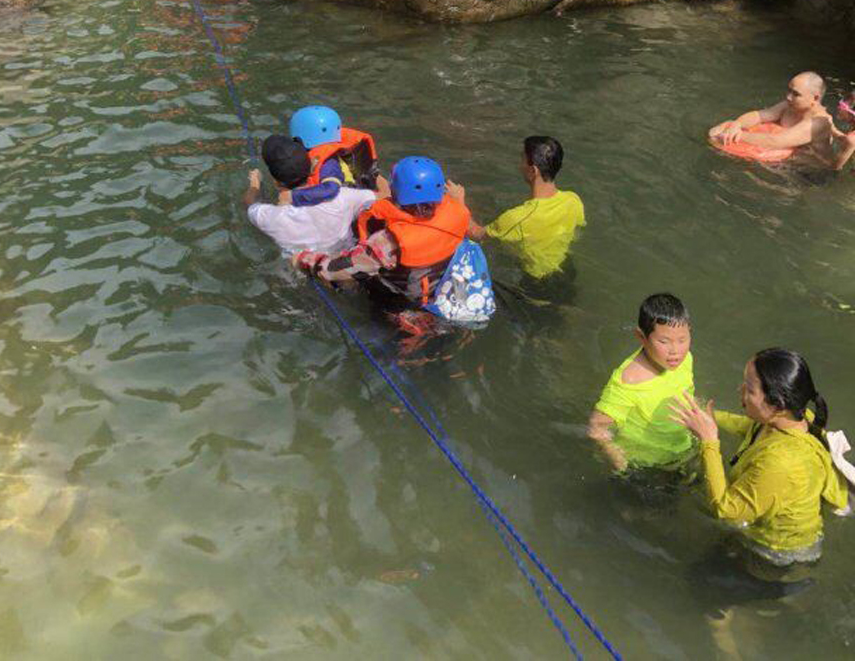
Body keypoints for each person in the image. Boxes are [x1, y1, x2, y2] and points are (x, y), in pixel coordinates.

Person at [671, 349, 849, 564]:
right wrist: (709, 419)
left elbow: (727, 511)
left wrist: (709, 441)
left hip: (774, 553)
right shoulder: (797, 418)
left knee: (696, 582)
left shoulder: (782, 463)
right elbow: (749, 427)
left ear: (777, 404)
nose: (741, 389)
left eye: (750, 388)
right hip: (764, 528)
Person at [295, 155, 490, 323]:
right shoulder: (457, 212)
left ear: (395, 191)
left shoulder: (387, 242)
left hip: (401, 310)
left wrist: (306, 259)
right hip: (442, 295)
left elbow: (332, 271)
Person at [587, 293, 695, 472]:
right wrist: (614, 454)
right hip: (644, 464)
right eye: (664, 341)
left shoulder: (686, 358)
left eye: (682, 340)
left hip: (681, 446)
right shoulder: (628, 382)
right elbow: (596, 427)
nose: (675, 351)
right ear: (641, 336)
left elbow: (686, 391)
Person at [456, 136, 584, 279]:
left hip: (537, 283)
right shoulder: (573, 200)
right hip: (566, 271)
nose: (519, 165)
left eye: (522, 159)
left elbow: (475, 234)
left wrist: (459, 203)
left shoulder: (517, 218)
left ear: (533, 171)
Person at [243, 135, 382, 255]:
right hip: (343, 257)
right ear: (311, 168)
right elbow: (381, 195)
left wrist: (255, 183)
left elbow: (250, 202)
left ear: (275, 181)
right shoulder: (343, 197)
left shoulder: (271, 217)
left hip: (298, 271)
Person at [709, 72, 831, 161]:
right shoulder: (789, 106)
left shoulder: (817, 122)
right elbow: (760, 115)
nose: (788, 97)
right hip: (784, 161)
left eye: (796, 94)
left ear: (815, 98)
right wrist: (737, 124)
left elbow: (776, 141)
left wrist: (734, 135)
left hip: (808, 175)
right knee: (718, 131)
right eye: (789, 90)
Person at [287, 105, 378, 205]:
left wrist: (294, 196)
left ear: (301, 140)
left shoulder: (328, 163)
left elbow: (331, 189)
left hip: (344, 207)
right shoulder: (329, 154)